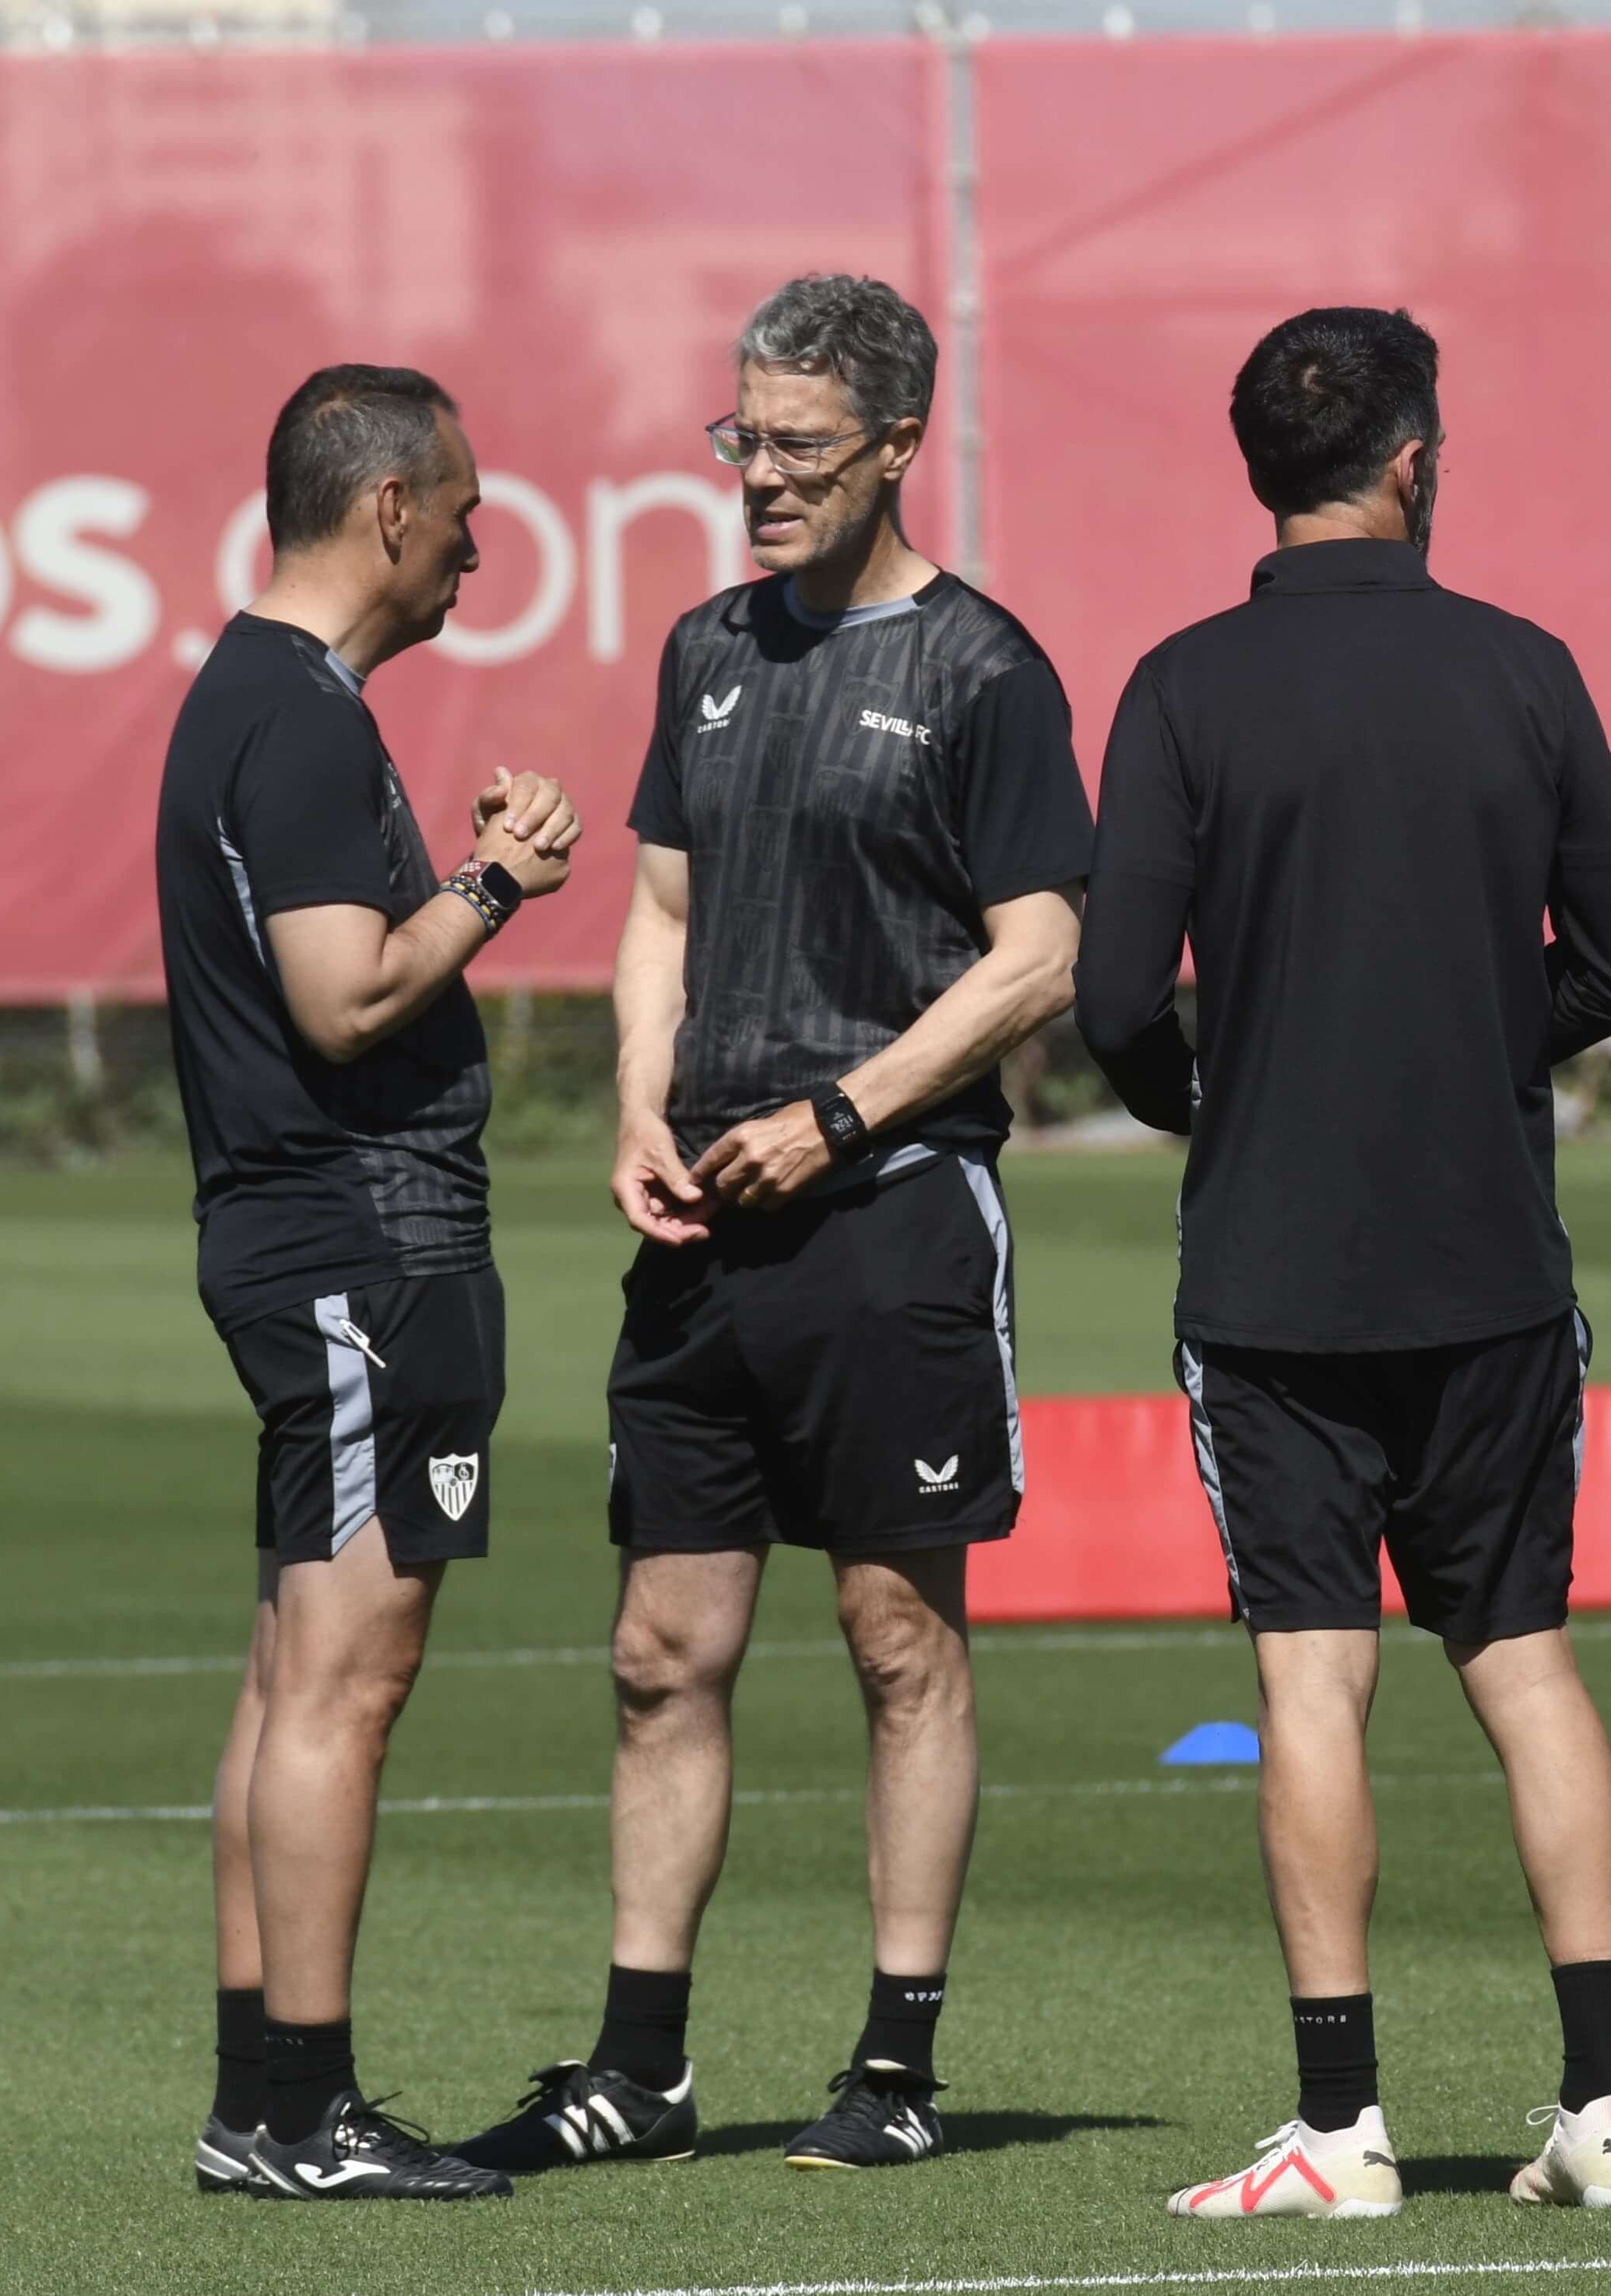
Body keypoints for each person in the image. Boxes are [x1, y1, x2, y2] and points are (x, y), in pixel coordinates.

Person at [457, 274, 1092, 2179]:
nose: (758, 480)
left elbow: (1042, 955)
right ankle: (638, 2067)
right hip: (699, 1229)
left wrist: (841, 1115)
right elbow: (660, 905)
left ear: (899, 443)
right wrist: (642, 1099)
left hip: (890, 1212)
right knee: (663, 1648)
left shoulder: (987, 668)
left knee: (900, 1640)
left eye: (799, 448)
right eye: (741, 441)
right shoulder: (705, 648)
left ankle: (895, 2072)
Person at [1078, 307, 1611, 2222]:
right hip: (1488, 1254)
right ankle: (1608, 2109)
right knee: (1527, 1664)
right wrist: (1499, 1040)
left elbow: (1106, 1004)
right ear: (1414, 460)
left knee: (1310, 1684)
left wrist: (1217, 1095)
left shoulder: (1179, 684)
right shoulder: (1521, 665)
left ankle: (1341, 2130)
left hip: (1271, 1270)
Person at [157, 364, 582, 2202]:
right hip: (359, 1249)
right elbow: (341, 999)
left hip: (316, 1241)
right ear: (390, 505)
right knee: (345, 1677)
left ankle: (263, 2097)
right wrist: (496, 881)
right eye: (469, 512)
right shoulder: (300, 715)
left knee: (288, 1674)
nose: (484, 549)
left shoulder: (254, 696)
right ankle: (305, 2114)